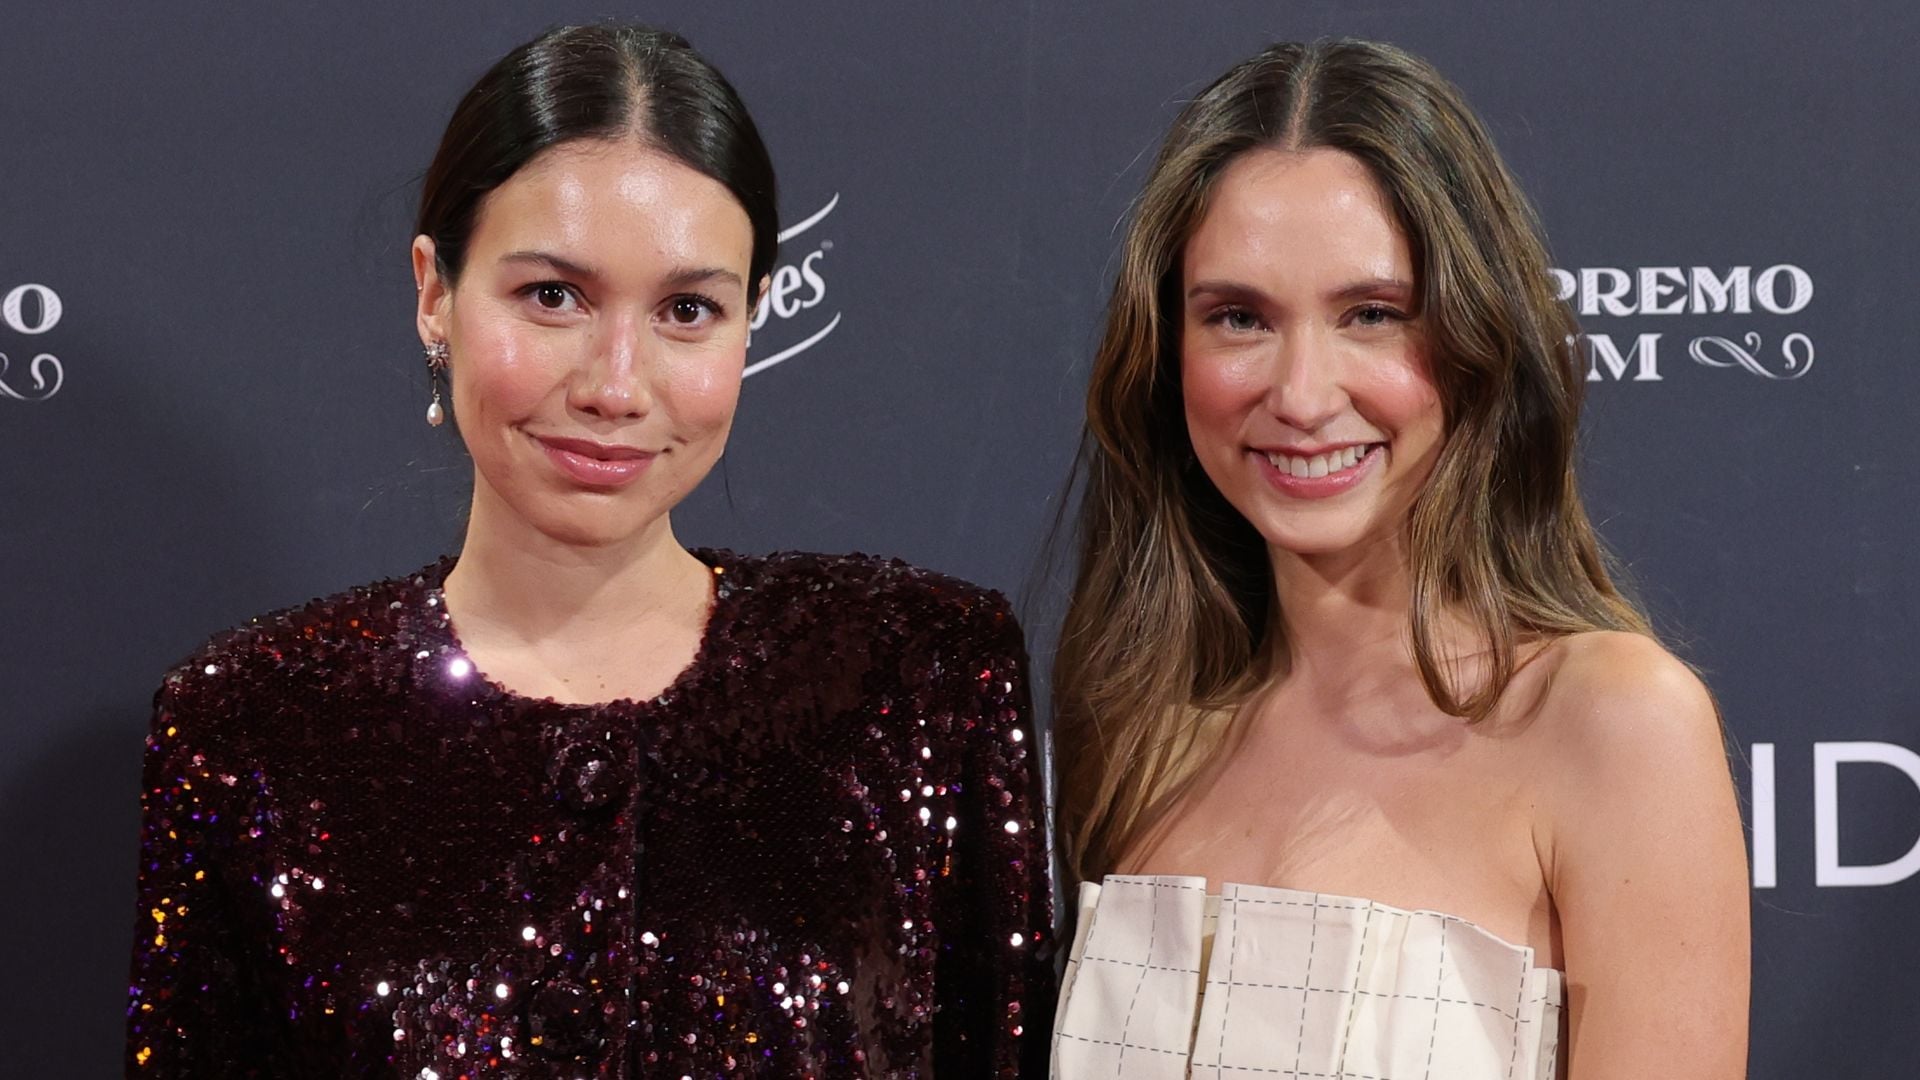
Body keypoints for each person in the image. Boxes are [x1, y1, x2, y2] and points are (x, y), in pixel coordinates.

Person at [125, 24, 1052, 1078]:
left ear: (752, 319)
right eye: (553, 296)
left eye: (687, 310)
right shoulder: (254, 723)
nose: (617, 385)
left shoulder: (919, 677)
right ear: (435, 293)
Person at [1048, 39, 1748, 1080]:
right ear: (1165, 352)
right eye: (1238, 317)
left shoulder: (1614, 723)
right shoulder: (1138, 715)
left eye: (1372, 315)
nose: (1301, 392)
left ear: (1478, 335)